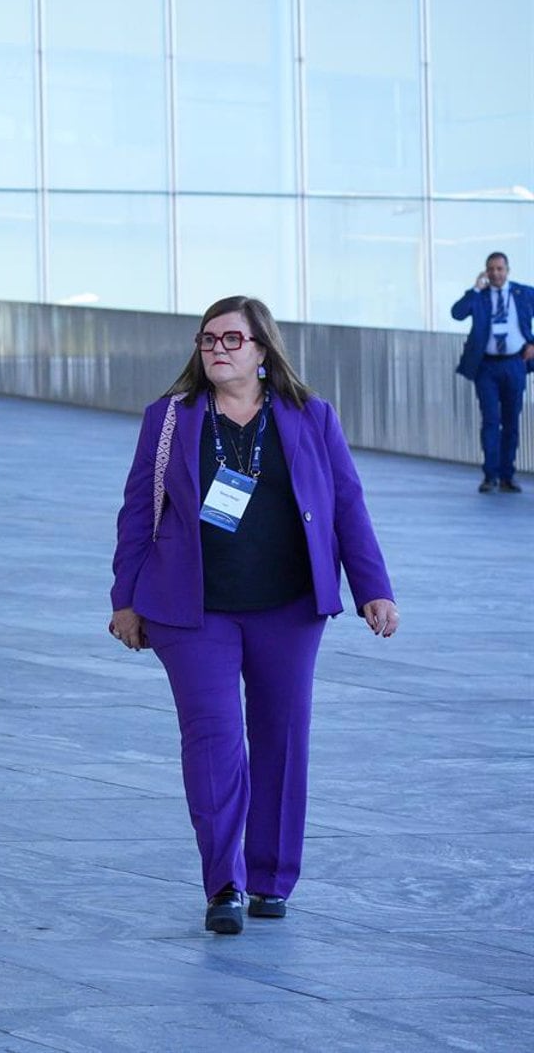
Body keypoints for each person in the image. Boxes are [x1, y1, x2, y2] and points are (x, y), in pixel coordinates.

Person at [108, 295, 399, 935]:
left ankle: (271, 878)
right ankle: (226, 884)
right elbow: (137, 511)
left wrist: (373, 588)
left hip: (290, 609)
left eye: (231, 339)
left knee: (281, 740)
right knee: (213, 743)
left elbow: (348, 505)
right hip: (193, 613)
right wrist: (124, 599)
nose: (216, 349)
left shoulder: (310, 417)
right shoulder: (169, 419)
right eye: (207, 339)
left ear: (262, 351)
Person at [450, 252, 534, 494]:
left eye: (500, 269)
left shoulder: (523, 294)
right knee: (490, 420)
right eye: (491, 269)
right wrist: (475, 290)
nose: (496, 274)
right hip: (487, 366)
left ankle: (508, 475)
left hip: (514, 363)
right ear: (485, 272)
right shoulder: (481, 297)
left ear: (508, 270)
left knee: (511, 421)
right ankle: (490, 475)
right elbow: (457, 313)